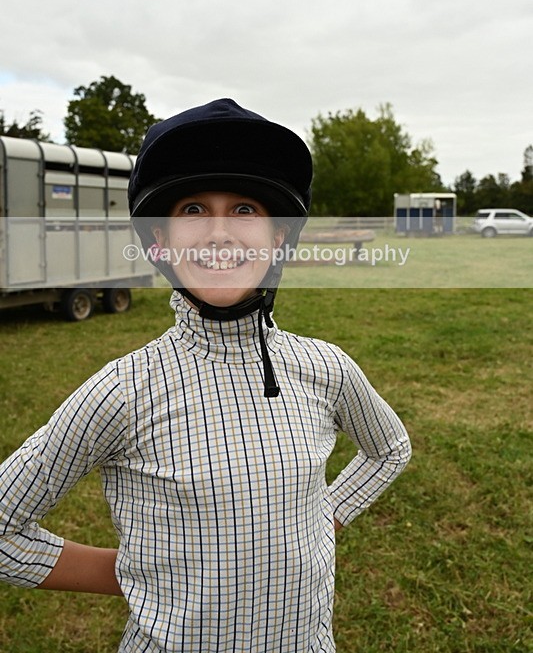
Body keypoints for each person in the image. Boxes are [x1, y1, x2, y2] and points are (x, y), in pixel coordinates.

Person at [0, 98, 411, 652]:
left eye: (245, 210)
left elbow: (389, 449)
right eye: (192, 209)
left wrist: (324, 518)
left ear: (279, 239)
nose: (219, 233)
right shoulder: (123, 391)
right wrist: (132, 573)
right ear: (161, 242)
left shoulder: (324, 368)